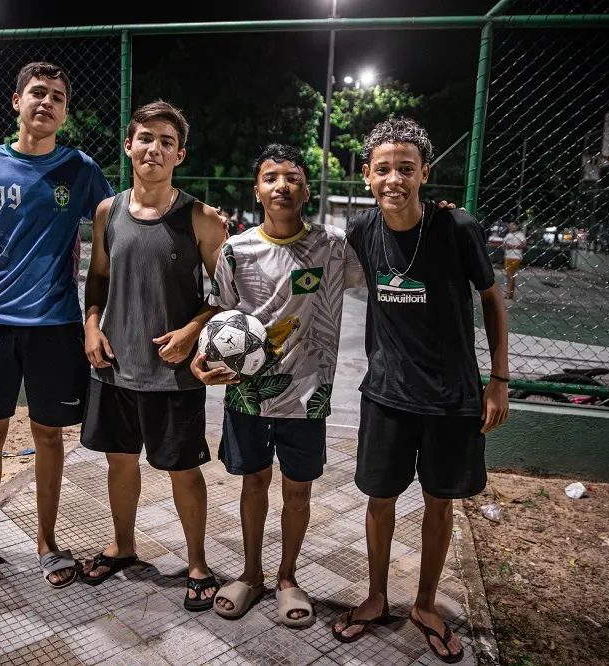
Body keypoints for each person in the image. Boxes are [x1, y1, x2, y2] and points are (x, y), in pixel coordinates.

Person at [334, 117, 510, 663]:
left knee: (440, 502)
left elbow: (492, 298)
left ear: (424, 173)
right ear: (367, 175)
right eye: (383, 169)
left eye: (406, 168)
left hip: (450, 396)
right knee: (379, 498)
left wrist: (498, 379)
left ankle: (426, 603)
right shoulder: (362, 231)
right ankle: (376, 597)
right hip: (386, 393)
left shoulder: (457, 227)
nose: (394, 179)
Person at [0, 61, 114, 590]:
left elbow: (120, 225)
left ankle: (46, 542)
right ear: (17, 101)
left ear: (65, 112)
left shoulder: (81, 169)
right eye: (38, 92)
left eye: (58, 97)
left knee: (49, 435)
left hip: (56, 326)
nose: (47, 102)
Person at [191, 144, 365, 626]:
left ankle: (288, 578)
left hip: (309, 393)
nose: (282, 186)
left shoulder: (333, 246)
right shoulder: (236, 250)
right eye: (271, 177)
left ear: (307, 190)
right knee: (253, 483)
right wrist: (201, 362)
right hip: (248, 393)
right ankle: (251, 574)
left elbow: (382, 258)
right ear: (257, 190)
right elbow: (219, 317)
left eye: (293, 178)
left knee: (298, 491)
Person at [80, 100, 228, 611]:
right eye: (145, 138)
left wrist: (192, 330)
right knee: (120, 463)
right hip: (115, 366)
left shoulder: (201, 218)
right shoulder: (108, 211)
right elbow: (98, 277)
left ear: (179, 155)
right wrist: (91, 325)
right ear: (129, 145)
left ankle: (198, 564)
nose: (154, 149)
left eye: (167, 142)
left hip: (173, 372)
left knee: (183, 470)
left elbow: (228, 294)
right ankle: (122, 546)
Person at [503, 220, 527, 299]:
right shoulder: (508, 235)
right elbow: (504, 244)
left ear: (517, 226)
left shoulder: (520, 235)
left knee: (510, 274)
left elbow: (523, 244)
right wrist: (506, 246)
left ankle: (508, 293)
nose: (510, 227)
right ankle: (510, 293)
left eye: (513, 225)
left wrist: (511, 246)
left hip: (515, 257)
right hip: (508, 256)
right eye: (510, 225)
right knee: (510, 275)